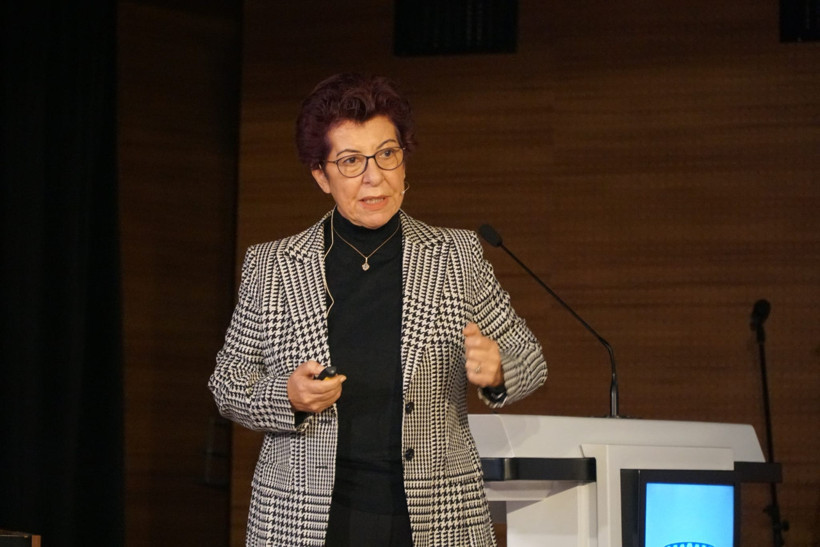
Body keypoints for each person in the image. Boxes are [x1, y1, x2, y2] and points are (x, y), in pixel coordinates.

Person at [209, 73, 547, 547]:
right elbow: (228, 383)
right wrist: (287, 396)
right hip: (304, 518)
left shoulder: (456, 255)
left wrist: (498, 371)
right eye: (351, 161)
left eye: (387, 154)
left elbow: (530, 359)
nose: (374, 176)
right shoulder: (273, 266)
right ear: (321, 175)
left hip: (438, 516)